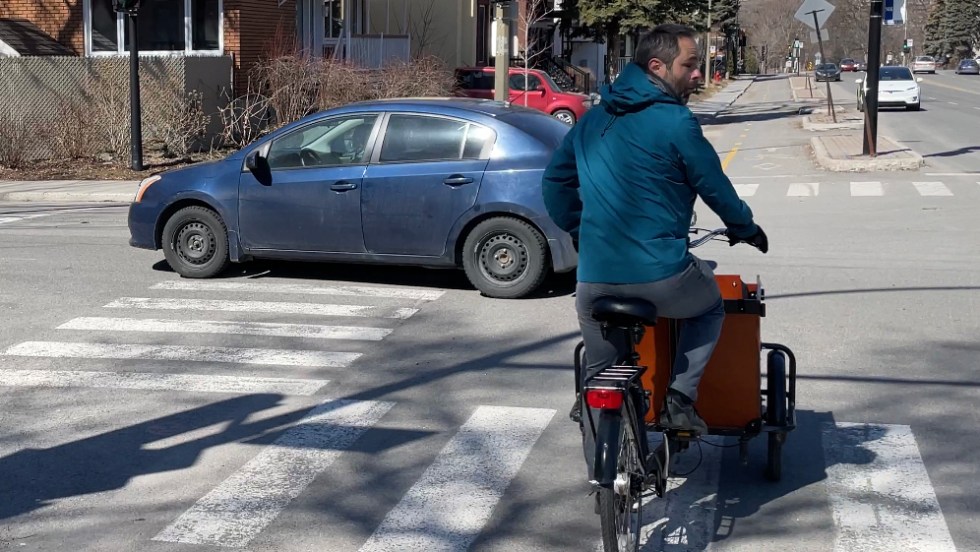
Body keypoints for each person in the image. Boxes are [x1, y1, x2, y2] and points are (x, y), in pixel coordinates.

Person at [541, 24, 768, 466]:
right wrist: (745, 226)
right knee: (709, 307)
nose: (698, 74)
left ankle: (604, 481)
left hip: (594, 281)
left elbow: (555, 183)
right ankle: (679, 398)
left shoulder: (593, 121)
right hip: (661, 276)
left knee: (599, 375)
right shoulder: (675, 120)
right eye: (691, 64)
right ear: (657, 67)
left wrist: (581, 232)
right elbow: (714, 185)